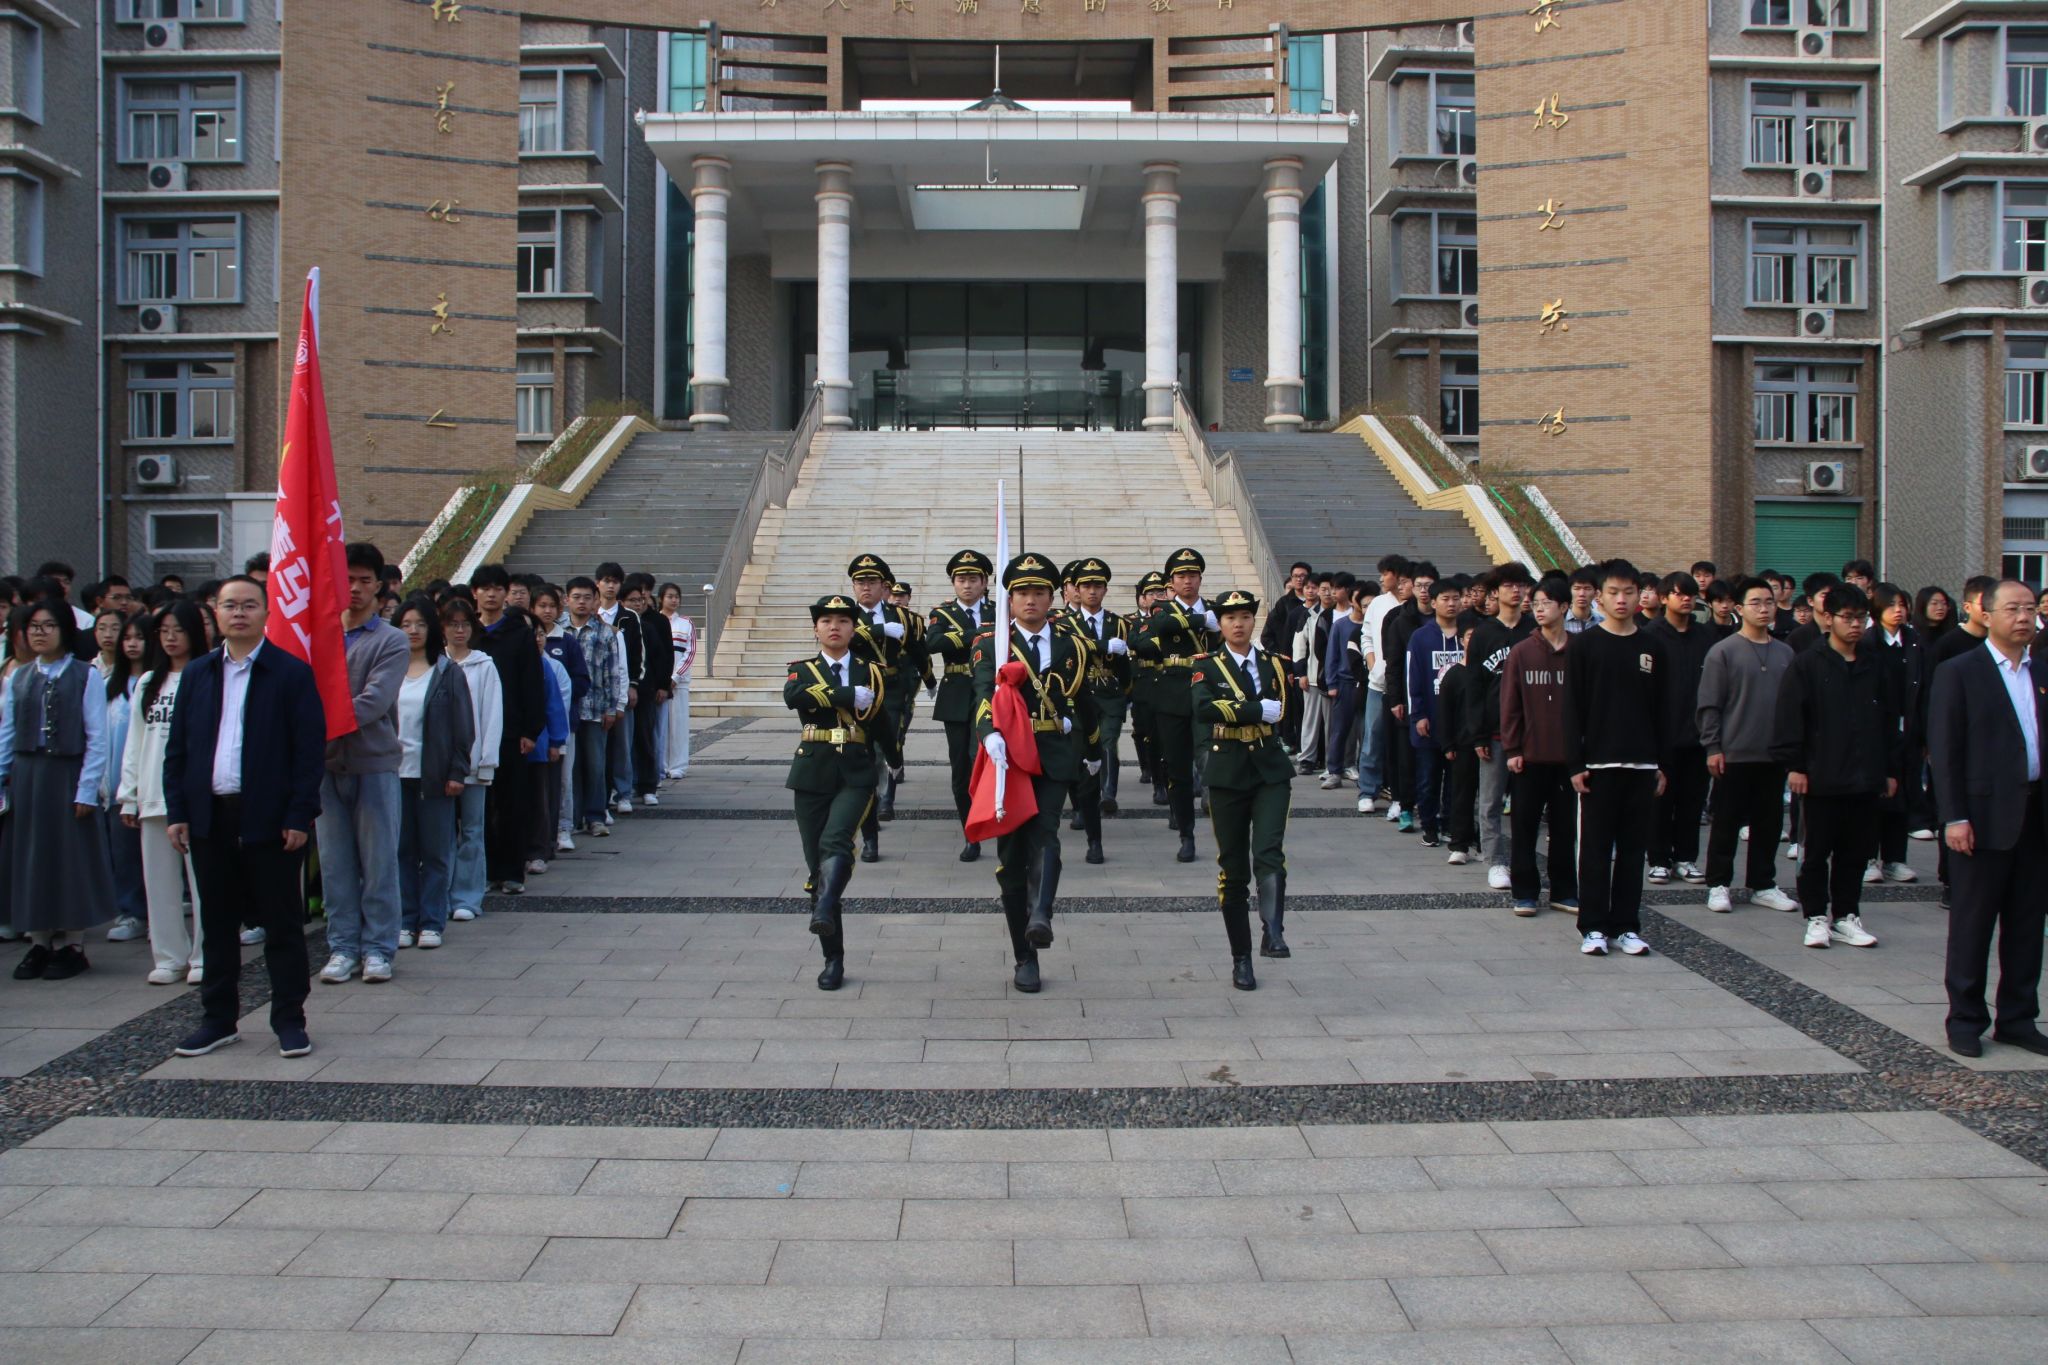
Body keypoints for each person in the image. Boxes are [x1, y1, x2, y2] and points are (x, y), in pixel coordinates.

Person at [164, 576, 325, 1059]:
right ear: (214, 613)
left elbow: (308, 752)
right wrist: (178, 810)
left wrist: (299, 814)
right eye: (230, 605)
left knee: (281, 925)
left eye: (249, 605)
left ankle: (289, 1020)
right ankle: (218, 1020)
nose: (239, 613)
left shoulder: (290, 673)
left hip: (271, 820)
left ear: (267, 613)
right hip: (210, 817)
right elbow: (178, 750)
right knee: (217, 925)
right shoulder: (198, 673)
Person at [1930, 579, 2048, 1058]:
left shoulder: (2041, 669)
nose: (2024, 618)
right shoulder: (1961, 671)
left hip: (2036, 815)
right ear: (1986, 614)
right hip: (1981, 817)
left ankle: (2017, 1018)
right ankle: (1965, 1019)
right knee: (1973, 925)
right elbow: (1945, 750)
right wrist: (1954, 816)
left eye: (2030, 609)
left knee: (2027, 924)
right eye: (2013, 609)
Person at [975, 552, 1098, 992]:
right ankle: (1024, 956)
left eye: (1039, 592)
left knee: (1046, 831)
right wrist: (988, 732)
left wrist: (1094, 747)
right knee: (1011, 857)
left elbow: (1084, 698)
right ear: (1009, 600)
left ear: (1053, 597)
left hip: (1051, 754)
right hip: (1009, 756)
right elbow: (981, 690)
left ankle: (1042, 913)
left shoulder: (1071, 644)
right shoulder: (993, 642)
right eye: (1022, 592)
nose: (1031, 600)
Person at [1771, 583, 1901, 951]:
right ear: (1828, 619)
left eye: (1861, 618)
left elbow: (1889, 722)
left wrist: (1890, 770)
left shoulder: (1875, 664)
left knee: (1856, 852)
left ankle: (1846, 915)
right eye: (1848, 617)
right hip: (1820, 776)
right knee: (1815, 852)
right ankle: (1815, 916)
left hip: (1865, 777)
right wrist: (1795, 766)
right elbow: (1790, 718)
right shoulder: (1808, 663)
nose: (1856, 625)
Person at [786, 593, 900, 992]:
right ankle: (832, 955)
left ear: (854, 629)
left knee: (836, 842)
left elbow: (881, 721)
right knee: (816, 864)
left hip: (855, 770)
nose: (834, 627)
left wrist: (895, 758)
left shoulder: (872, 671)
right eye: (826, 621)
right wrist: (845, 695)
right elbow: (794, 697)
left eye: (843, 621)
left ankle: (822, 907)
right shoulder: (802, 669)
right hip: (811, 772)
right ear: (816, 629)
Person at [1, 599, 116, 980]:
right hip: (28, 776)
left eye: (48, 625)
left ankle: (73, 943)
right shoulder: (18, 677)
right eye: (34, 626)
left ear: (64, 630)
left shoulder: (85, 675)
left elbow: (97, 736)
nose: (40, 632)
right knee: (30, 857)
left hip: (67, 774)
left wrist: (86, 789)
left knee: (69, 858)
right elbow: (7, 734)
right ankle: (38, 940)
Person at [314, 543, 410, 985]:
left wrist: (314, 722)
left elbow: (374, 701)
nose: (354, 588)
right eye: (346, 579)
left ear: (379, 587)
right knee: (335, 863)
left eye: (364, 580)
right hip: (324, 765)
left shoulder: (391, 640)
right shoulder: (317, 636)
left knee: (378, 862)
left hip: (373, 762)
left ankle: (378, 948)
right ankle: (342, 947)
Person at [1563, 559, 1667, 959]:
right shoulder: (1584, 646)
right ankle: (1593, 926)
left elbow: (1664, 709)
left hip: (1642, 765)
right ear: (1599, 597)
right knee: (1594, 850)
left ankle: (1626, 926)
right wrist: (1575, 764)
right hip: (1597, 767)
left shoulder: (1652, 646)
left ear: (1639, 596)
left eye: (1628, 592)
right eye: (1613, 592)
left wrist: (1662, 764)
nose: (1621, 599)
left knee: (1632, 852)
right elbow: (1571, 708)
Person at [1194, 589, 1296, 990]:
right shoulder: (1206, 665)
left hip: (1269, 768)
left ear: (1255, 620)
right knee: (1233, 869)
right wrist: (1253, 711)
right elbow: (1204, 707)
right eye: (1230, 617)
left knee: (1269, 851)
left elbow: (1283, 706)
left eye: (1245, 617)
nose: (1238, 624)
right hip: (1228, 770)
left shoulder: (1272, 663)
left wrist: (1263, 714)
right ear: (1219, 623)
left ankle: (1273, 930)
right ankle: (1241, 957)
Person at [1696, 576, 1800, 914]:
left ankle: (1763, 883)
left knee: (1769, 823)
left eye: (1769, 602)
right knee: (1726, 823)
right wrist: (1713, 746)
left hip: (1773, 754)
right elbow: (1709, 704)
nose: (1764, 608)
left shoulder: (1786, 652)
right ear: (1739, 609)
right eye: (1755, 602)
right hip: (1733, 753)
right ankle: (1718, 883)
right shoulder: (1723, 651)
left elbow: (1794, 706)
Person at [119, 602, 209, 984]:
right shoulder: (148, 682)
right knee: (159, 882)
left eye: (179, 630)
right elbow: (136, 740)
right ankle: (169, 956)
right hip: (154, 793)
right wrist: (129, 793)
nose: (171, 638)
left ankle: (204, 955)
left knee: (203, 881)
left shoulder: (207, 675)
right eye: (164, 631)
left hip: (198, 794)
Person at [393, 597, 473, 951]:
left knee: (436, 852)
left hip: (435, 775)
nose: (413, 631)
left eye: (420, 624)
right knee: (402, 851)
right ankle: (405, 919)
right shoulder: (388, 670)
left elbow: (463, 727)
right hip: (393, 775)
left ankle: (431, 921)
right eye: (405, 624)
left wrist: (457, 770)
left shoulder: (447, 673)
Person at [1136, 548, 1219, 863]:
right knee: (1177, 768)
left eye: (1193, 575)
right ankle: (1186, 833)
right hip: (1172, 695)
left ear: (1200, 579)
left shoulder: (1216, 609)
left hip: (1208, 692)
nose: (1188, 581)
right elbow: (1163, 626)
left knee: (1210, 755)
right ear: (1171, 581)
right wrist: (1201, 620)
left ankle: (1215, 806)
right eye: (1182, 576)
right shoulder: (1163, 608)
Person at [1500, 576, 1576, 916]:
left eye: (1547, 603)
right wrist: (1513, 749)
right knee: (1524, 827)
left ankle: (1564, 890)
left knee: (1564, 829)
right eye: (1536, 603)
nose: (1539, 609)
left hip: (1568, 758)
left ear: (1564, 607)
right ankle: (1525, 892)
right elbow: (1510, 704)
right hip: (1529, 756)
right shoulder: (1522, 652)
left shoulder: (1579, 651)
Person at [472, 565, 545, 896]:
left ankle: (512, 870)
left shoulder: (519, 634)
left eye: (497, 588)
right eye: (484, 588)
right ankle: (486, 869)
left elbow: (532, 684)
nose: (491, 594)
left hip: (511, 733)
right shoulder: (469, 633)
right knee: (480, 806)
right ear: (475, 593)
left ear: (505, 593)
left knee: (512, 803)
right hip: (473, 733)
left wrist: (530, 730)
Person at [1465, 562, 1535, 888]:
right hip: (1493, 731)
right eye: (1508, 585)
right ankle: (1495, 861)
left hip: (1530, 731)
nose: (1515, 591)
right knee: (1490, 801)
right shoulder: (1483, 633)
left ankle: (1523, 859)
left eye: (1521, 585)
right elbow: (1474, 685)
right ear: (1495, 591)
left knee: (1526, 803)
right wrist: (1477, 732)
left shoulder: (1533, 630)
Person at [1643, 572, 1715, 886]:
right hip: (1662, 735)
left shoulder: (1705, 637)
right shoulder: (1651, 636)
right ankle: (1658, 859)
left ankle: (1686, 857)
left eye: (1690, 594)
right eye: (1678, 593)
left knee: (1692, 801)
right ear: (1664, 598)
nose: (1686, 599)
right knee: (1661, 801)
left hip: (1697, 735)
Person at [1061, 557, 1130, 865]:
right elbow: (1071, 647)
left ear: (1105, 590)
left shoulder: (1118, 623)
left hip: (1110, 696)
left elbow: (1126, 664)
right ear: (1076, 589)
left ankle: (1106, 797)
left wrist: (1127, 693)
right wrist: (1102, 646)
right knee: (1079, 759)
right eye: (1086, 585)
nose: (1092, 591)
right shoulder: (1064, 623)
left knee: (1107, 742)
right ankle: (1081, 806)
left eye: (1097, 586)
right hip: (1080, 696)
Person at [439, 595, 503, 925]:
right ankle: (439, 894)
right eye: (453, 624)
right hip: (438, 763)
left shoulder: (484, 665)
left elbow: (492, 714)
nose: (459, 630)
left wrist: (487, 760)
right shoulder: (434, 664)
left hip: (475, 762)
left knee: (472, 831)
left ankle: (467, 895)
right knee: (441, 833)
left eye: (465, 624)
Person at [846, 553, 916, 853]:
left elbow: (915, 650)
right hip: (857, 694)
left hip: (890, 693)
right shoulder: (845, 613)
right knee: (864, 760)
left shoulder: (899, 615)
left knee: (886, 749)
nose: (866, 587)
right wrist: (877, 630)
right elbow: (842, 637)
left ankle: (887, 797)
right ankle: (870, 833)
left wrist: (924, 682)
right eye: (860, 582)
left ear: (883, 586)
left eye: (872, 582)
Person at [928, 550, 995, 861]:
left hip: (991, 691)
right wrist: (976, 634)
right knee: (961, 767)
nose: (967, 585)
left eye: (973, 579)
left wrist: (964, 637)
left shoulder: (998, 610)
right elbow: (933, 643)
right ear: (953, 583)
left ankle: (993, 815)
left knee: (983, 756)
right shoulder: (942, 614)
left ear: (984, 582)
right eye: (961, 579)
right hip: (956, 693)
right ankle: (971, 832)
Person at [1869, 582, 1931, 879]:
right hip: (1878, 729)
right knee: (1876, 794)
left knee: (1904, 792)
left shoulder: (1914, 641)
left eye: (1902, 605)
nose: (1898, 611)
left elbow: (1925, 687)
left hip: (1909, 727)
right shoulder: (1868, 642)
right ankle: (1868, 858)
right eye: (1891, 605)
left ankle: (1895, 858)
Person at [98, 611, 148, 946]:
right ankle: (131, 911)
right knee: (124, 854)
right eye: (126, 638)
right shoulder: (108, 686)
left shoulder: (157, 681)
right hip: (118, 784)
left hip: (152, 784)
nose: (131, 644)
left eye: (139, 637)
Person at [1405, 577, 1463, 850]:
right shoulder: (1421, 637)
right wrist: (1418, 715)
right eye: (1445, 599)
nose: (1451, 604)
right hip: (1429, 719)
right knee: (1428, 778)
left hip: (1460, 723)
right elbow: (1413, 678)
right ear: (1434, 602)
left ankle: (1450, 823)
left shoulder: (1468, 635)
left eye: (1456, 598)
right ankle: (1429, 825)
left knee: (1456, 780)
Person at [563, 577, 623, 838]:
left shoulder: (605, 633)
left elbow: (613, 674)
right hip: (567, 711)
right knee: (572, 768)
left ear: (595, 600)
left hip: (595, 709)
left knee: (596, 766)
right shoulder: (559, 631)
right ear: (566, 600)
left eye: (587, 597)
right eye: (576, 597)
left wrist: (612, 708)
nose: (581, 602)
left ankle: (596, 816)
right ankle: (574, 817)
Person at [1436, 614, 1482, 866]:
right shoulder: (1453, 674)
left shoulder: (1489, 672)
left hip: (1489, 743)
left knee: (1488, 800)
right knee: (1462, 796)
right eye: (1469, 637)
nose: (1473, 641)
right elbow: (1444, 712)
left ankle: (1485, 843)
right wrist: (1448, 744)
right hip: (1462, 745)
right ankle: (1459, 844)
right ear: (1461, 640)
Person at [626, 574, 673, 806]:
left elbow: (663, 657)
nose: (638, 602)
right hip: (622, 692)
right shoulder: (619, 625)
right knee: (624, 742)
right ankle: (626, 784)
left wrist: (663, 685)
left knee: (646, 737)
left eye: (641, 597)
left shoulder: (654, 623)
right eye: (633, 599)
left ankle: (648, 784)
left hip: (647, 690)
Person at [658, 583, 694, 779]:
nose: (674, 600)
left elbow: (690, 652)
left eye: (676, 596)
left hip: (678, 683)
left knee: (678, 725)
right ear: (661, 598)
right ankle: (661, 764)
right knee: (661, 725)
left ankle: (678, 765)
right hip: (659, 683)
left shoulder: (686, 623)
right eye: (670, 596)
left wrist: (676, 676)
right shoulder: (655, 622)